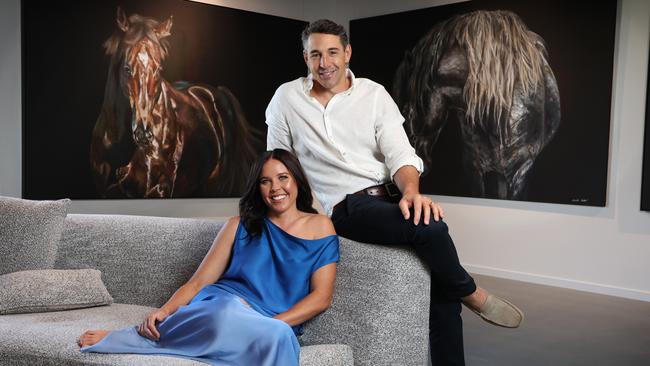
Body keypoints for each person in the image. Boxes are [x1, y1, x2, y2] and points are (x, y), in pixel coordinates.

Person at [265, 19, 523, 366]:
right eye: (315, 55)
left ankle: (455, 306)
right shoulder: (287, 98)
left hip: (388, 195)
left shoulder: (374, 95)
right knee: (431, 229)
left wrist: (411, 193)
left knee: (440, 290)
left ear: (347, 53)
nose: (324, 63)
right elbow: (277, 162)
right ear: (305, 58)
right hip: (345, 206)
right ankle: (471, 292)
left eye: (331, 53)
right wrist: (288, 217)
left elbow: (400, 154)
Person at [78, 149, 339, 366]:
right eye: (265, 181)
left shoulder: (321, 226)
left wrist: (269, 324)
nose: (275, 188)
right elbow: (198, 282)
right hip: (224, 304)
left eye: (283, 178)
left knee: (279, 335)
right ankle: (130, 337)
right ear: (257, 188)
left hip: (272, 320)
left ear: (296, 180)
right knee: (225, 313)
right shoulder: (238, 226)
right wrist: (165, 310)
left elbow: (321, 297)